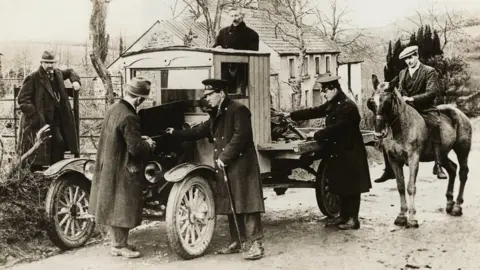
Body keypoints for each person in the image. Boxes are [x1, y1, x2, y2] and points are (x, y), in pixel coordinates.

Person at [166, 78, 265, 260]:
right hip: (227, 165)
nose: (207, 98)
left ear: (221, 93)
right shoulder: (216, 114)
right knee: (230, 202)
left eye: (210, 94)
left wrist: (224, 156)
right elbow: (199, 131)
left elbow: (241, 135)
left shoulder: (238, 109)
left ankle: (257, 244)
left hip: (243, 165)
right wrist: (175, 133)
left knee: (248, 203)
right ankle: (238, 241)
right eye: (206, 95)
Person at [283, 76, 372, 230]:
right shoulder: (334, 104)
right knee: (341, 184)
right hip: (339, 151)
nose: (324, 94)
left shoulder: (348, 107)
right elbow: (315, 111)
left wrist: (316, 134)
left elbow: (338, 128)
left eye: (326, 91)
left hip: (350, 152)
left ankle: (353, 219)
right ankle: (343, 216)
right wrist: (291, 115)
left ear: (334, 89)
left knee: (352, 187)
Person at [89, 77, 156, 258]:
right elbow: (135, 149)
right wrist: (149, 144)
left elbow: (119, 135)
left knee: (114, 205)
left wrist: (138, 138)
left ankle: (117, 243)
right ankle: (119, 246)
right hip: (123, 167)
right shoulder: (130, 116)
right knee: (123, 205)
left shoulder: (113, 109)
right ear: (139, 99)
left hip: (109, 164)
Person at [374, 45, 446, 182]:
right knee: (387, 128)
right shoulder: (402, 73)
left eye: (411, 57)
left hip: (425, 108)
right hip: (407, 108)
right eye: (406, 59)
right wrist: (400, 98)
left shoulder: (429, 71)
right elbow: (400, 90)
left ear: (417, 56)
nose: (409, 61)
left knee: (435, 124)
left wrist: (412, 99)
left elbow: (431, 93)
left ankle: (438, 164)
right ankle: (389, 169)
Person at [17, 50, 82, 170]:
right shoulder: (33, 78)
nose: (50, 65)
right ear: (41, 62)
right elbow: (22, 100)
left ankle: (55, 173)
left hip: (55, 121)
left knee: (59, 144)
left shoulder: (58, 74)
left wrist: (76, 81)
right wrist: (35, 115)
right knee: (37, 152)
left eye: (52, 62)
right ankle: (35, 177)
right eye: (47, 62)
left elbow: (71, 72)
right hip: (40, 122)